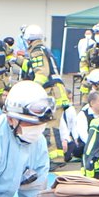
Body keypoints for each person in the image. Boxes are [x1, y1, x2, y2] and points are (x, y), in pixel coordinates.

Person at [19, 25, 71, 168]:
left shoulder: (36, 52)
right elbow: (31, 67)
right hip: (56, 92)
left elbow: (41, 73)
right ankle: (56, 157)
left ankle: (55, 159)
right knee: (52, 125)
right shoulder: (42, 50)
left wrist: (32, 91)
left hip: (51, 93)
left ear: (29, 39)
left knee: (50, 126)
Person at [69, 88, 99, 160]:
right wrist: (95, 146)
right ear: (92, 103)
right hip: (85, 145)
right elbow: (83, 135)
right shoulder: (83, 114)